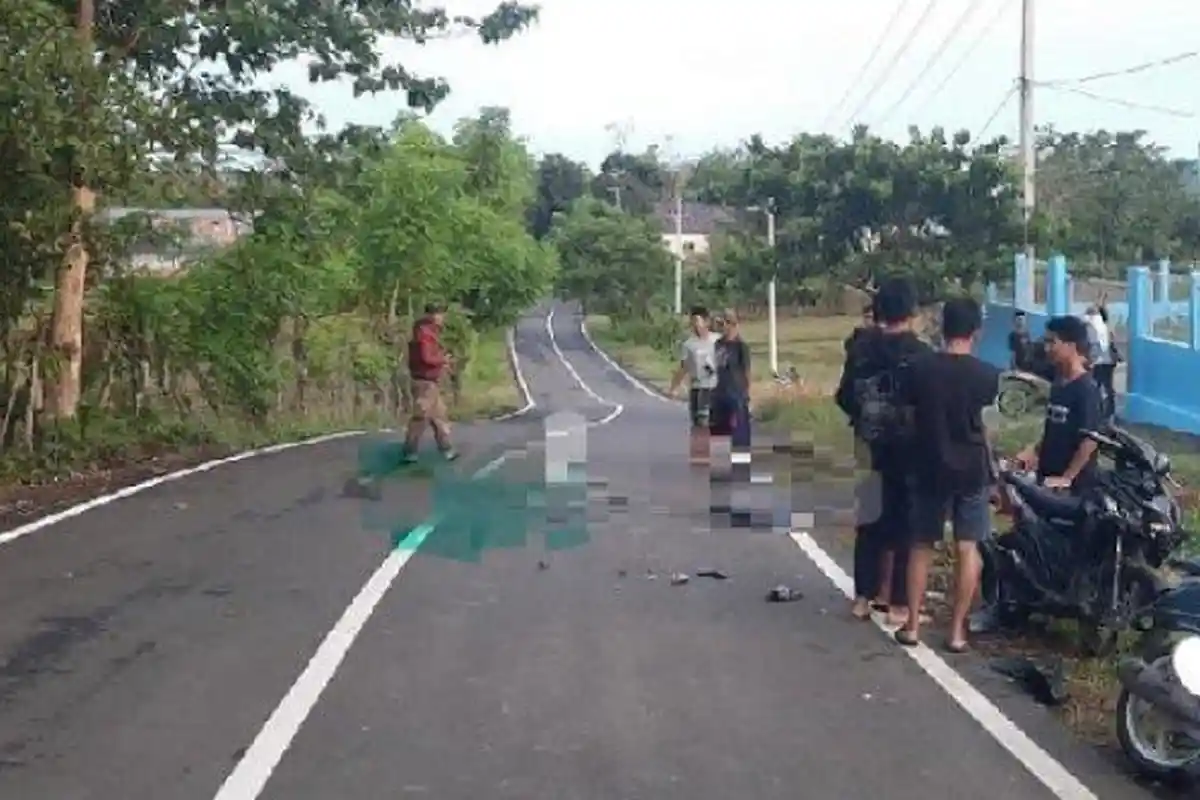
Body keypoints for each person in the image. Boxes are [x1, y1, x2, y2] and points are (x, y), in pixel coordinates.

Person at [895, 297, 1000, 653]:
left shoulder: (919, 369)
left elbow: (908, 418)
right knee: (967, 547)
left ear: (943, 328)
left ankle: (911, 625)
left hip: (928, 465)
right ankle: (957, 631)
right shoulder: (988, 376)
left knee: (921, 545)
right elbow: (988, 430)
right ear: (976, 332)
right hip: (971, 469)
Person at [835, 278, 930, 625]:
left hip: (869, 443)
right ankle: (899, 605)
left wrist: (864, 418)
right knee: (906, 521)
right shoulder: (921, 354)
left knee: (871, 517)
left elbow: (843, 396)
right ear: (912, 311)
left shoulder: (860, 349)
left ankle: (863, 597)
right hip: (908, 448)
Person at [1015, 315, 1102, 491]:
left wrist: (1067, 478)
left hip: (1073, 489)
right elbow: (1054, 428)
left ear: (1070, 345)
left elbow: (1090, 440)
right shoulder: (1059, 383)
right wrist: (1033, 452)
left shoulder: (1087, 389)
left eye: (1052, 342)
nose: (1047, 348)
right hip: (1047, 478)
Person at [401, 303, 458, 463]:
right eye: (438, 314)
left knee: (438, 415)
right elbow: (426, 357)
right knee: (421, 417)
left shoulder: (428, 332)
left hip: (430, 381)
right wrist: (443, 360)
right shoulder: (424, 334)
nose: (440, 318)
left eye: (441, 314)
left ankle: (447, 449)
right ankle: (409, 451)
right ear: (430, 316)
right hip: (424, 382)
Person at [668, 306, 721, 464]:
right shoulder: (689, 345)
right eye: (693, 322)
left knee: (710, 419)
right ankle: (701, 454)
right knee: (698, 421)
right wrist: (674, 387)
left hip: (715, 386)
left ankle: (715, 451)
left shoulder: (717, 341)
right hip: (697, 387)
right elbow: (684, 367)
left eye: (698, 321)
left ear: (706, 322)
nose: (695, 325)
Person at [711, 309, 752, 451]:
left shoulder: (741, 346)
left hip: (736, 394)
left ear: (732, 324)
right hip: (718, 393)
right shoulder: (718, 344)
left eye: (724, 323)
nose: (722, 327)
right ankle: (720, 467)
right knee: (718, 435)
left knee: (740, 435)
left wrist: (746, 394)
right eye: (720, 324)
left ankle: (740, 465)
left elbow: (746, 371)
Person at [1085, 304, 1116, 420]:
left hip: (1100, 361)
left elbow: (1094, 346)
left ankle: (1098, 412)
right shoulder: (1107, 327)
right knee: (1107, 387)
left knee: (1096, 386)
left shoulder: (1094, 329)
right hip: (1108, 361)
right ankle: (1108, 412)